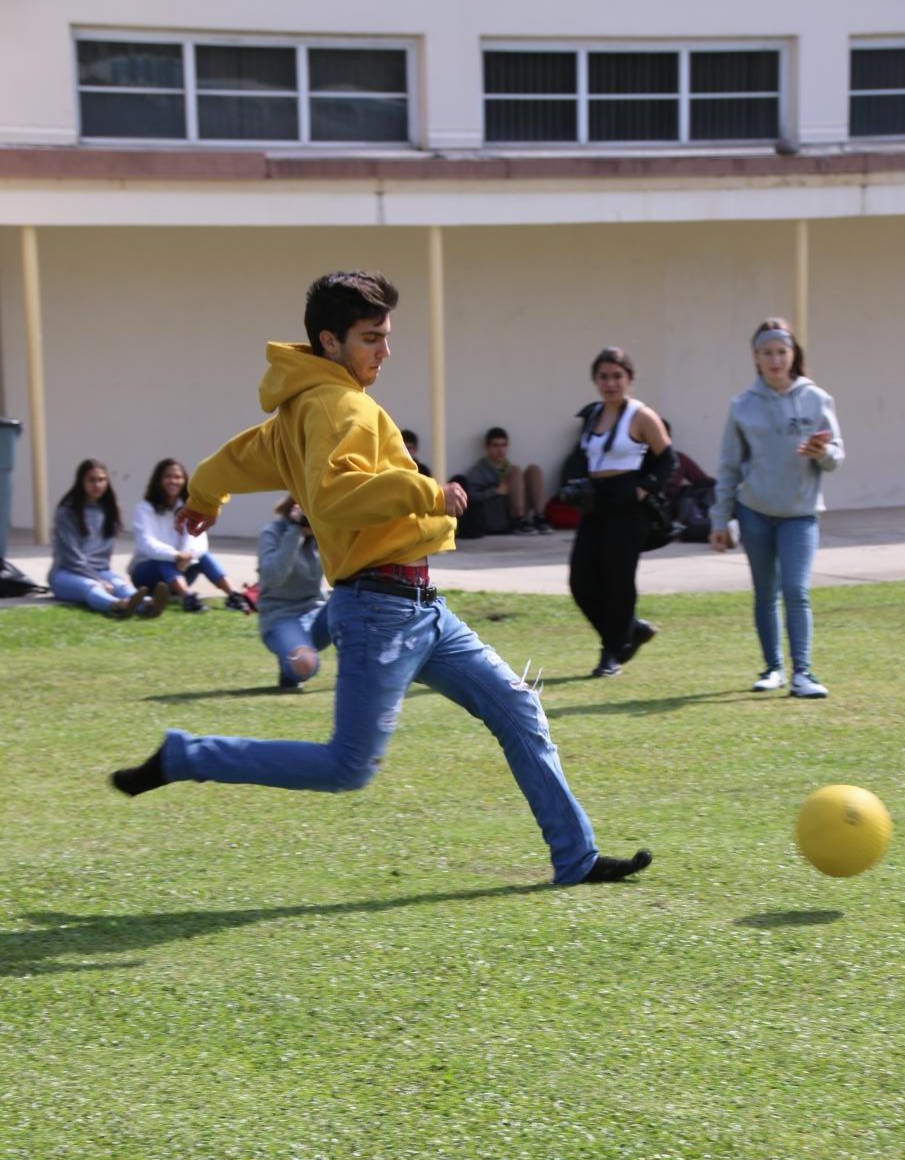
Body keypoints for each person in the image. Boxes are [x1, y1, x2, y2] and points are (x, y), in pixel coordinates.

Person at [111, 270, 651, 886]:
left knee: (517, 708)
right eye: (372, 338)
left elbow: (240, 456)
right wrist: (427, 490)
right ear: (329, 341)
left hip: (422, 607)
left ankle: (575, 859)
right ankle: (187, 755)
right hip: (377, 610)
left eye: (387, 336)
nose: (385, 351)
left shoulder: (305, 405)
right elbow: (335, 495)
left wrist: (206, 494)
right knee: (348, 766)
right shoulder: (335, 406)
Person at [708, 317, 844, 698]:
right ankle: (774, 669)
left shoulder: (816, 399)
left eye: (781, 351)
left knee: (795, 589)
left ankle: (803, 673)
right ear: (755, 357)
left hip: (799, 514)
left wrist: (824, 452)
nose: (775, 359)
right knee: (765, 593)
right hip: (755, 513)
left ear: (793, 354)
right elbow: (729, 466)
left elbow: (836, 455)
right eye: (766, 352)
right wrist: (721, 519)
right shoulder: (742, 406)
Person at [568, 348, 677, 678]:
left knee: (617, 580)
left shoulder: (641, 416)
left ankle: (612, 652)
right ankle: (630, 630)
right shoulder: (593, 415)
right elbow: (582, 456)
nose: (610, 383)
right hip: (596, 503)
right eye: (603, 377)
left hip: (628, 505)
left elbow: (669, 460)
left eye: (617, 376)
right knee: (581, 580)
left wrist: (643, 489)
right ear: (594, 380)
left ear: (629, 378)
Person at [130, 457, 254, 613]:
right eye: (167, 476)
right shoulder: (144, 509)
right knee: (162, 561)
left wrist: (188, 554)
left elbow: (198, 538)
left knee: (204, 556)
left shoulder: (188, 508)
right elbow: (146, 543)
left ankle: (234, 596)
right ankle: (188, 599)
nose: (173, 481)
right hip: (146, 574)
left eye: (178, 477)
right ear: (158, 480)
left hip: (180, 570)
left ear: (185, 481)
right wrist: (176, 556)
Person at [48, 459, 168, 619]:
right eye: (91, 480)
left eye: (101, 480)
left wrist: (104, 578)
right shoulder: (66, 512)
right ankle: (117, 606)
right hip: (66, 573)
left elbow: (104, 559)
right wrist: (98, 580)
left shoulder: (109, 511)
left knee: (121, 586)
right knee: (91, 587)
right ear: (81, 482)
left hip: (100, 571)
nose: (97, 484)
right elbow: (71, 556)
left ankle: (149, 604)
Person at [257, 493, 331, 692]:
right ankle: (291, 662)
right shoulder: (272, 532)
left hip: (317, 614)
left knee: (355, 601)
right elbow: (273, 579)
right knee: (304, 665)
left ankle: (365, 673)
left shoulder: (324, 534)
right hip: (281, 616)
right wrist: (295, 533)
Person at [460, 427, 552, 536]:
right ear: (487, 447)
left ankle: (539, 517)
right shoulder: (479, 470)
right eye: (495, 446)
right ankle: (519, 519)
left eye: (504, 445)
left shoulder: (507, 465)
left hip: (510, 506)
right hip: (497, 515)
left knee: (534, 469)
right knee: (515, 470)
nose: (500, 450)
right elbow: (469, 497)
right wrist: (495, 491)